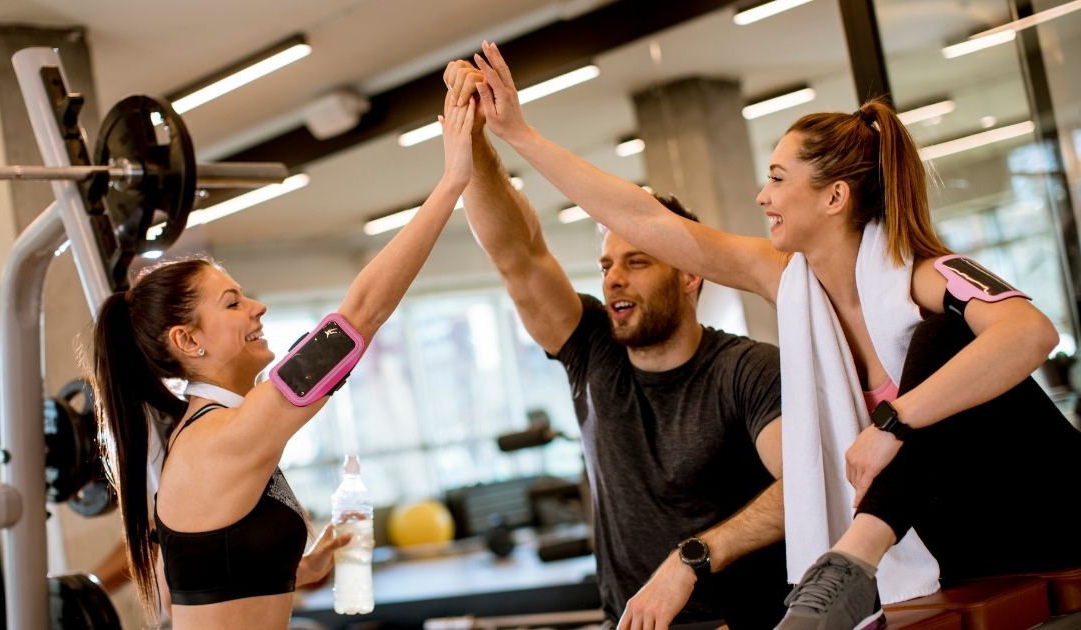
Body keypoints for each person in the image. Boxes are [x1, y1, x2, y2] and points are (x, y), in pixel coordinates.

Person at [463, 40, 1081, 630]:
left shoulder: (925, 275)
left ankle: (851, 563)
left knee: (938, 341)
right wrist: (518, 134)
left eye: (779, 180)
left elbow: (1031, 331)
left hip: (1042, 505)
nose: (762, 197)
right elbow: (644, 219)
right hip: (961, 541)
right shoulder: (787, 281)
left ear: (835, 196)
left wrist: (894, 421)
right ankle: (850, 567)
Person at [88, 92, 477, 629]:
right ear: (188, 340)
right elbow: (361, 314)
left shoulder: (219, 429)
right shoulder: (222, 438)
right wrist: (452, 182)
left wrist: (296, 566)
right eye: (232, 303)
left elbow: (218, 578)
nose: (258, 307)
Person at [444, 61, 790, 629]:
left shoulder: (747, 371)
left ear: (689, 275)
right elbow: (517, 254)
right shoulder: (593, 352)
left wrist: (691, 560)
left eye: (637, 261)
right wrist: (476, 136)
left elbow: (802, 485)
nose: (613, 279)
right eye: (607, 265)